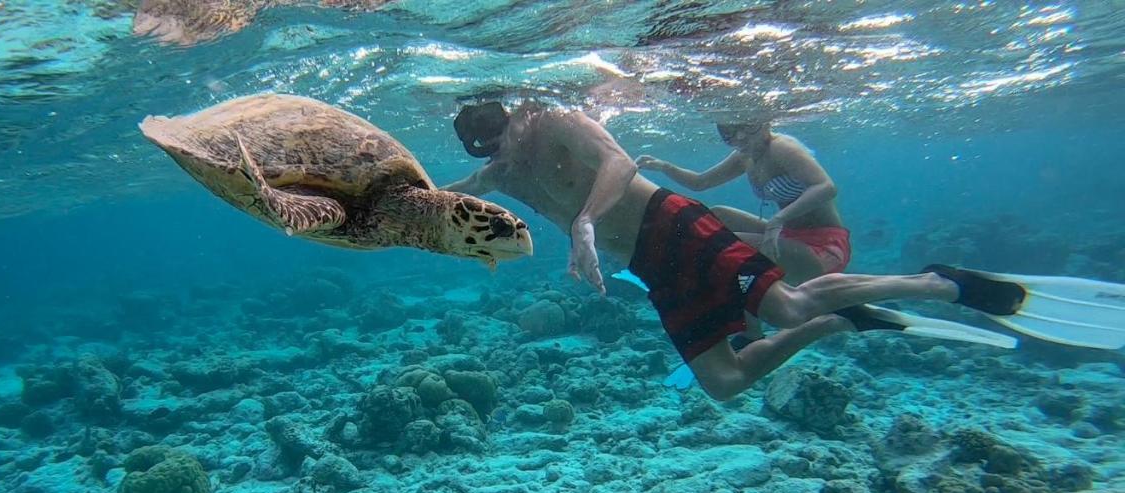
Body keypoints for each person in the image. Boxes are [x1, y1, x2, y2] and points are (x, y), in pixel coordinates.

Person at [442, 101, 1125, 401]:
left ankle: (940, 283)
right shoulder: (503, 172)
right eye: (484, 147)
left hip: (668, 223)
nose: (498, 149)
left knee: (789, 304)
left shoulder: (561, 122)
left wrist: (586, 224)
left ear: (514, 113)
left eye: (499, 134)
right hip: (649, 265)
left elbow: (619, 165)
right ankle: (840, 320)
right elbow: (447, 195)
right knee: (725, 384)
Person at [635, 121, 848, 284]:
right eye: (728, 134)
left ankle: (751, 327)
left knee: (724, 245)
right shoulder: (745, 155)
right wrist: (665, 167)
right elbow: (701, 182)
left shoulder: (781, 148)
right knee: (715, 216)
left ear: (764, 123)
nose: (740, 138)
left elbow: (826, 187)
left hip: (823, 248)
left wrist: (778, 220)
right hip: (788, 237)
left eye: (747, 128)